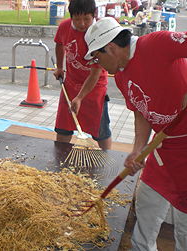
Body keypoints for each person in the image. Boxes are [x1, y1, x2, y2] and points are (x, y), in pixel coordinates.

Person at [84, 17, 187, 251]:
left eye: (98, 57)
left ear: (111, 47)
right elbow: (142, 112)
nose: (98, 64)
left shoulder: (155, 44)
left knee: (184, 223)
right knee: (146, 205)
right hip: (163, 148)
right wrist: (138, 149)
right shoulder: (121, 75)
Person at [53, 0, 112, 150]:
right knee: (64, 126)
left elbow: (95, 73)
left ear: (94, 15)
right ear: (71, 16)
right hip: (71, 84)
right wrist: (60, 67)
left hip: (94, 88)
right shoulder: (64, 26)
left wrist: (80, 97)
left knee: (100, 132)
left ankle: (106, 158)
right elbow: (60, 44)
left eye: (87, 19)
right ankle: (60, 158)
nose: (82, 24)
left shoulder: (99, 34)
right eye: (77, 19)